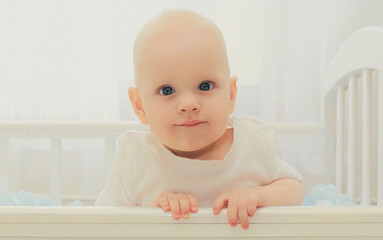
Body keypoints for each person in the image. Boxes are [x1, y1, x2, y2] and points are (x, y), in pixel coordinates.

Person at [95, 9, 304, 230]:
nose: (188, 104)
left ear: (231, 95)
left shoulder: (252, 144)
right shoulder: (136, 161)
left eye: (205, 86)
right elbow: (104, 221)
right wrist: (150, 210)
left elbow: (294, 189)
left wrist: (259, 196)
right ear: (140, 106)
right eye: (167, 90)